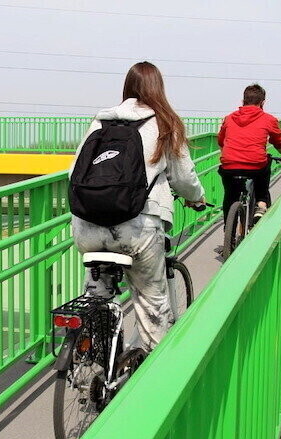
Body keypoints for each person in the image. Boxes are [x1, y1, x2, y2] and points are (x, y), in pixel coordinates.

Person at [69, 61, 205, 351]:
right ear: (158, 88)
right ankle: (157, 382)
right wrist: (196, 198)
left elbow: (74, 173)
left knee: (98, 297)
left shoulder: (100, 121)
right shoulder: (166, 123)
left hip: (87, 228)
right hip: (137, 229)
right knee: (152, 305)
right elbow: (183, 177)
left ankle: (93, 358)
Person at [217, 83, 281, 222]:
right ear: (262, 102)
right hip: (255, 165)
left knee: (230, 194)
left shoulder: (229, 118)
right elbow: (279, 142)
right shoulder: (268, 119)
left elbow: (221, 141)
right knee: (265, 165)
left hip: (229, 166)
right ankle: (261, 204)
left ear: (243, 101)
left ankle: (228, 227)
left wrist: (230, 155)